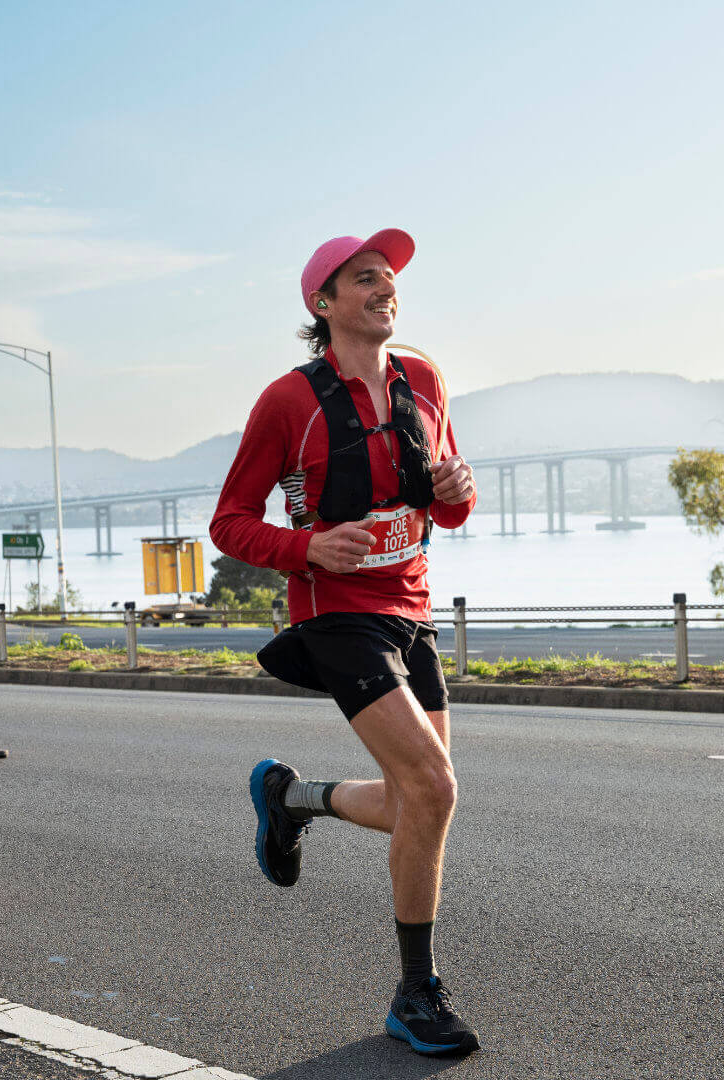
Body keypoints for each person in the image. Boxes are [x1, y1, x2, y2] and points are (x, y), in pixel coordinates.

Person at [210, 229, 481, 1056]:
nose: (385, 288)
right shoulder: (288, 402)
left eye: (390, 277)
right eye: (366, 278)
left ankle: (291, 799)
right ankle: (414, 993)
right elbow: (230, 522)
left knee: (412, 803)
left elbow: (452, 505)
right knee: (435, 787)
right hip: (335, 617)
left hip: (412, 612)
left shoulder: (425, 379)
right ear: (324, 305)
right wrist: (307, 548)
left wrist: (459, 490)